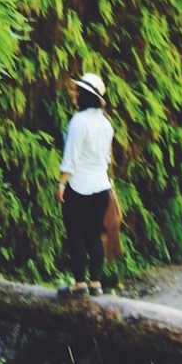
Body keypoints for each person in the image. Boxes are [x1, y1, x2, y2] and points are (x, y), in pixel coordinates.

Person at [56, 71, 114, 296]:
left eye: (76, 91)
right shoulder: (106, 123)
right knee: (93, 234)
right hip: (101, 187)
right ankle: (96, 283)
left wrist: (61, 184)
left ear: (85, 95)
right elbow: (106, 158)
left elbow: (70, 157)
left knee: (76, 234)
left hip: (79, 187)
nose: (73, 94)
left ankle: (80, 283)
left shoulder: (79, 121)